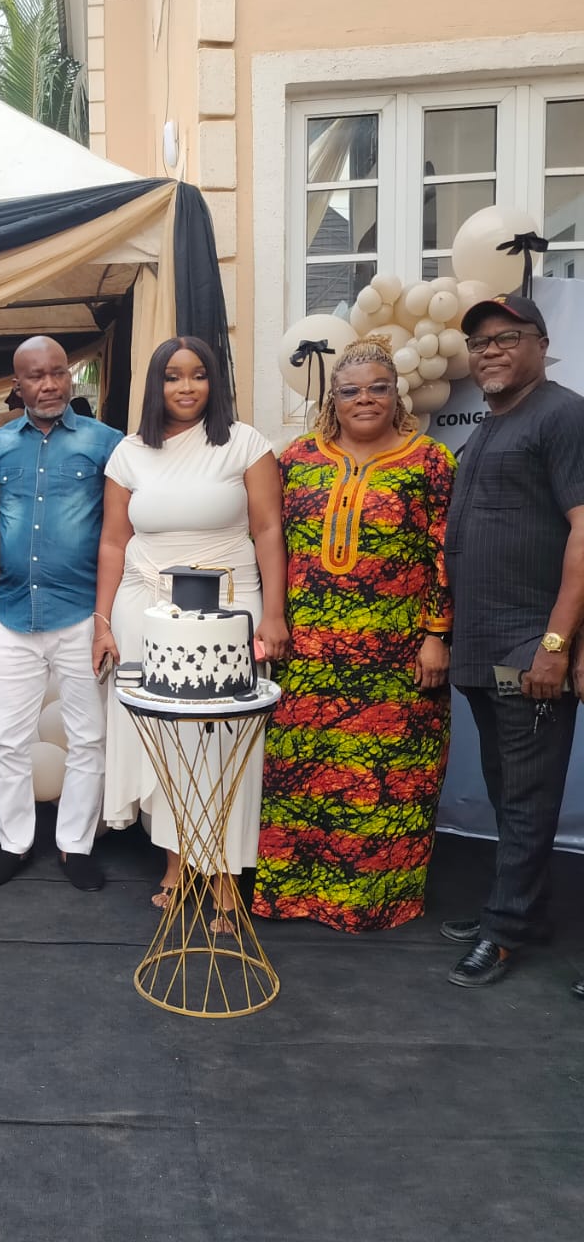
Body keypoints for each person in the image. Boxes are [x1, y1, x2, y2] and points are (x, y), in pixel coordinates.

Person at [249, 334, 455, 933]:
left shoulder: (430, 461)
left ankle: (371, 904)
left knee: (385, 786)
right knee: (302, 776)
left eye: (378, 388)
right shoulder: (297, 459)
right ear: (332, 400)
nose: (364, 399)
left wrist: (437, 633)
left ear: (397, 396)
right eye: (350, 391)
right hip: (310, 657)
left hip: (397, 660)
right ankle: (295, 897)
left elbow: (448, 553)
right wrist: (273, 616)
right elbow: (272, 544)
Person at [93, 337, 288, 929]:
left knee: (226, 739)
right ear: (155, 385)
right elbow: (113, 542)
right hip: (144, 608)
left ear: (214, 382)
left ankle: (225, 874)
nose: (185, 387)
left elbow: (268, 530)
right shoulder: (129, 453)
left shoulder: (246, 443)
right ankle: (176, 864)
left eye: (198, 375)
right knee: (165, 739)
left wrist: (274, 614)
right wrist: (102, 622)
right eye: (173, 376)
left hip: (229, 606)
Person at [440, 294, 584, 990]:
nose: (490, 351)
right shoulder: (492, 424)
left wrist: (556, 644)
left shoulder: (563, 415)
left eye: (507, 337)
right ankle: (524, 912)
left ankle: (502, 931)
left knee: (527, 796)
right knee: (508, 791)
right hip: (485, 652)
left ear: (541, 345)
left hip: (530, 649)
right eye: (479, 342)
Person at [0, 336, 122, 890]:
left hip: (81, 613)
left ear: (70, 376)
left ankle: (74, 845)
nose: (49, 384)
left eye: (58, 372)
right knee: (7, 739)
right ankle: (13, 842)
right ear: (17, 385)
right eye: (36, 376)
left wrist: (105, 617)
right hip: (12, 613)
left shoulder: (106, 443)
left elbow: (118, 531)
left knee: (88, 737)